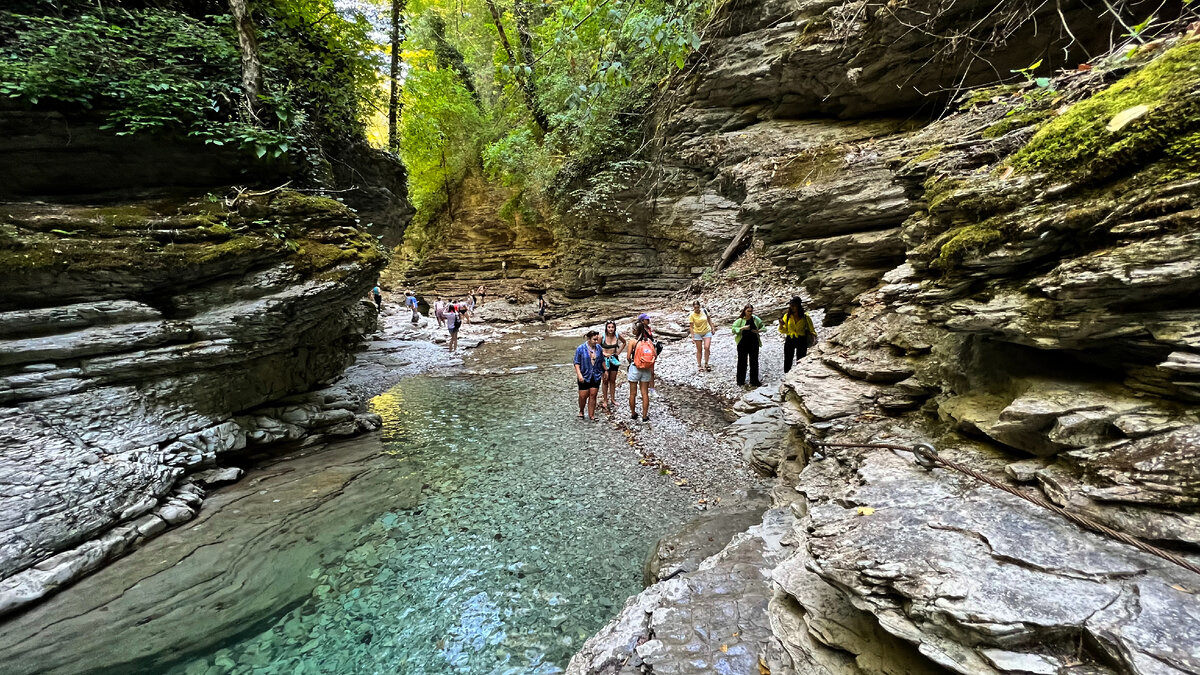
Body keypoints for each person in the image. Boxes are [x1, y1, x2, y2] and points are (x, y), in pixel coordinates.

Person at [779, 296, 817, 373]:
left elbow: (812, 330)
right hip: (790, 339)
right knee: (788, 359)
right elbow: (783, 331)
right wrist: (781, 325)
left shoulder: (805, 317)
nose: (791, 307)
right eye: (790, 305)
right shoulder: (787, 316)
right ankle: (787, 376)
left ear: (798, 306)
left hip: (801, 340)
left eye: (793, 305)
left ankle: (800, 374)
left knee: (801, 359)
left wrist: (813, 338)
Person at [626, 323, 656, 422]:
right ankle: (644, 416)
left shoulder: (632, 341)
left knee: (632, 393)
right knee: (645, 393)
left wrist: (633, 362)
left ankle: (633, 414)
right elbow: (654, 354)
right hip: (646, 369)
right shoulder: (649, 341)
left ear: (635, 330)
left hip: (635, 368)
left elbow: (628, 357)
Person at [731, 304, 764, 388]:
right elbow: (733, 329)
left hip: (754, 342)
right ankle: (740, 381)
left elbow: (763, 327)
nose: (750, 313)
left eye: (751, 311)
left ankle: (754, 381)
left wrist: (758, 331)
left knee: (754, 361)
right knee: (742, 361)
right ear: (744, 311)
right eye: (748, 311)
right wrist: (742, 328)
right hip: (742, 343)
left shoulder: (756, 319)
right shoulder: (740, 320)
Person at [573, 331, 603, 420]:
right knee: (583, 395)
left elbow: (602, 361)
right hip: (584, 374)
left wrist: (605, 371)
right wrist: (579, 374)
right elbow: (576, 362)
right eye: (594, 339)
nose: (596, 341)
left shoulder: (599, 348)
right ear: (589, 339)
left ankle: (591, 415)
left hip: (596, 374)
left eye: (597, 339)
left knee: (593, 394)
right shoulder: (580, 348)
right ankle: (581, 411)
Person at [599, 321, 626, 414]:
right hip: (604, 360)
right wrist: (603, 353)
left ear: (615, 328)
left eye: (612, 327)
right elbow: (597, 347)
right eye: (609, 327)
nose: (611, 329)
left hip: (614, 359)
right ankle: (605, 400)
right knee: (605, 380)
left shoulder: (617, 335)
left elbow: (624, 342)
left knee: (613, 380)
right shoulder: (602, 337)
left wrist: (618, 352)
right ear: (606, 328)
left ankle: (613, 399)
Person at [687, 300, 714, 373]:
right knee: (699, 350)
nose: (697, 309)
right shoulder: (692, 315)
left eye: (698, 307)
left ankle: (706, 363)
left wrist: (712, 328)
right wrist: (692, 336)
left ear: (700, 306)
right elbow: (691, 326)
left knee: (707, 347)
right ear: (693, 307)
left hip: (706, 331)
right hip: (697, 332)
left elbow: (709, 319)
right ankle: (699, 365)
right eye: (695, 307)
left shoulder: (704, 311)